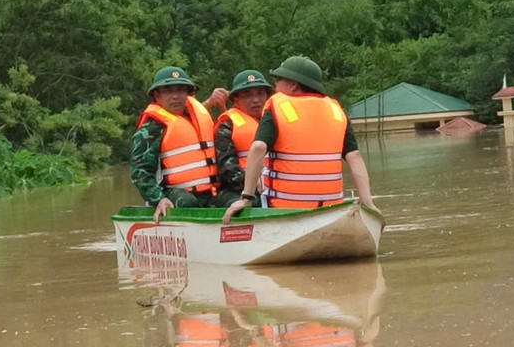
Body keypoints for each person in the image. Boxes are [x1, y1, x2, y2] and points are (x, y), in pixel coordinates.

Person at [223, 56, 378, 224]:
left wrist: (246, 197)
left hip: (286, 209)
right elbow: (354, 157)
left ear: (293, 85)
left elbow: (259, 147)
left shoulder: (277, 106)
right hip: (331, 209)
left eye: (278, 80)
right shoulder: (335, 109)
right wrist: (368, 202)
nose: (275, 87)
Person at [131, 66, 229, 222]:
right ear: (157, 95)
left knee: (240, 201)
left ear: (188, 94)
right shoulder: (151, 129)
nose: (175, 96)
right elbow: (140, 173)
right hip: (173, 193)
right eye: (169, 91)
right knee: (187, 203)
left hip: (211, 192)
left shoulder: (199, 117)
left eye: (180, 91)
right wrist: (159, 199)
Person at [213, 70, 273, 207]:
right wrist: (252, 183)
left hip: (274, 185)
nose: (256, 100)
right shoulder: (227, 125)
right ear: (236, 99)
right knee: (254, 202)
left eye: (260, 93)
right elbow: (227, 170)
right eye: (247, 95)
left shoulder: (276, 121)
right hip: (239, 188)